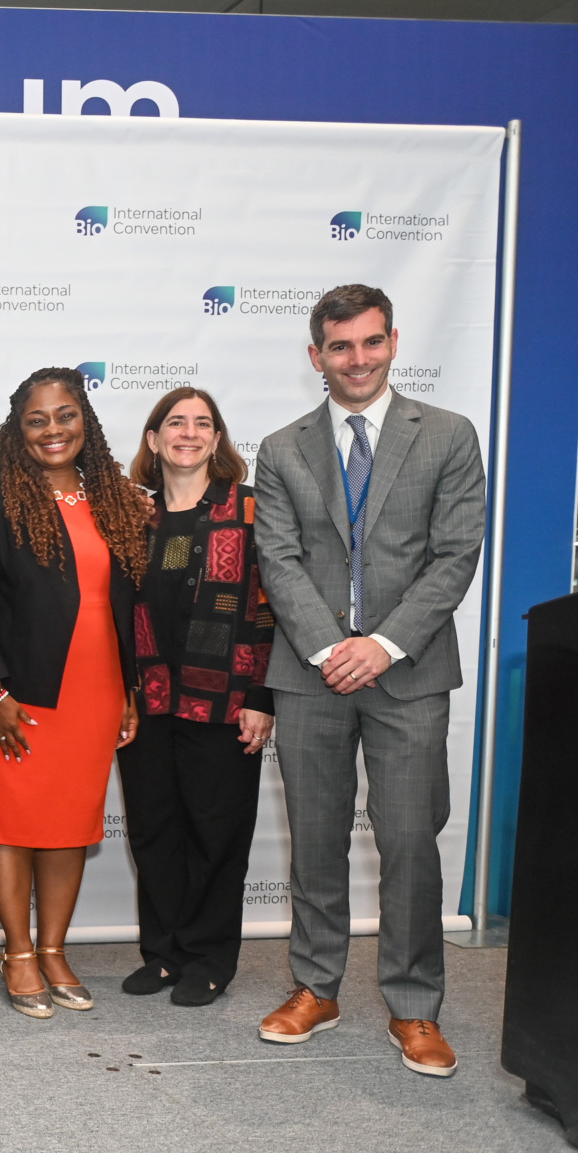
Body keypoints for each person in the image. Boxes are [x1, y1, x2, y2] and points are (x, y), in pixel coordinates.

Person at [252, 285, 485, 1077]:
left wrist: (381, 644)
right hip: (311, 672)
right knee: (314, 839)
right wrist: (329, 647)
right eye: (341, 346)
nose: (358, 360)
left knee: (410, 842)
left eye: (371, 342)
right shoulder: (282, 448)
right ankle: (315, 986)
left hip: (409, 670)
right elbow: (277, 560)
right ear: (315, 354)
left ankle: (415, 1006)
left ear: (394, 342)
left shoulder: (449, 435)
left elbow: (456, 554)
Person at [0, 367, 144, 1019]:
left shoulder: (111, 497)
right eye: (37, 419)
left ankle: (56, 948)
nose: (53, 429)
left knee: (69, 826)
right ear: (17, 429)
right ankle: (19, 952)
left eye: (65, 415)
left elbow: (122, 603)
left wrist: (129, 689)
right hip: (14, 694)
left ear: (84, 420)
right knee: (10, 824)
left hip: (95, 690)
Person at [120, 387, 275, 1007]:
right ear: (153, 440)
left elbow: (275, 611)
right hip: (149, 700)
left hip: (228, 702)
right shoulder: (135, 520)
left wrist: (265, 697)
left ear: (218, 440)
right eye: (174, 423)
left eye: (202, 423)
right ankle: (162, 954)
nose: (188, 432)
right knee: (154, 830)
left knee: (217, 834)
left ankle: (209, 959)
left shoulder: (253, 511)